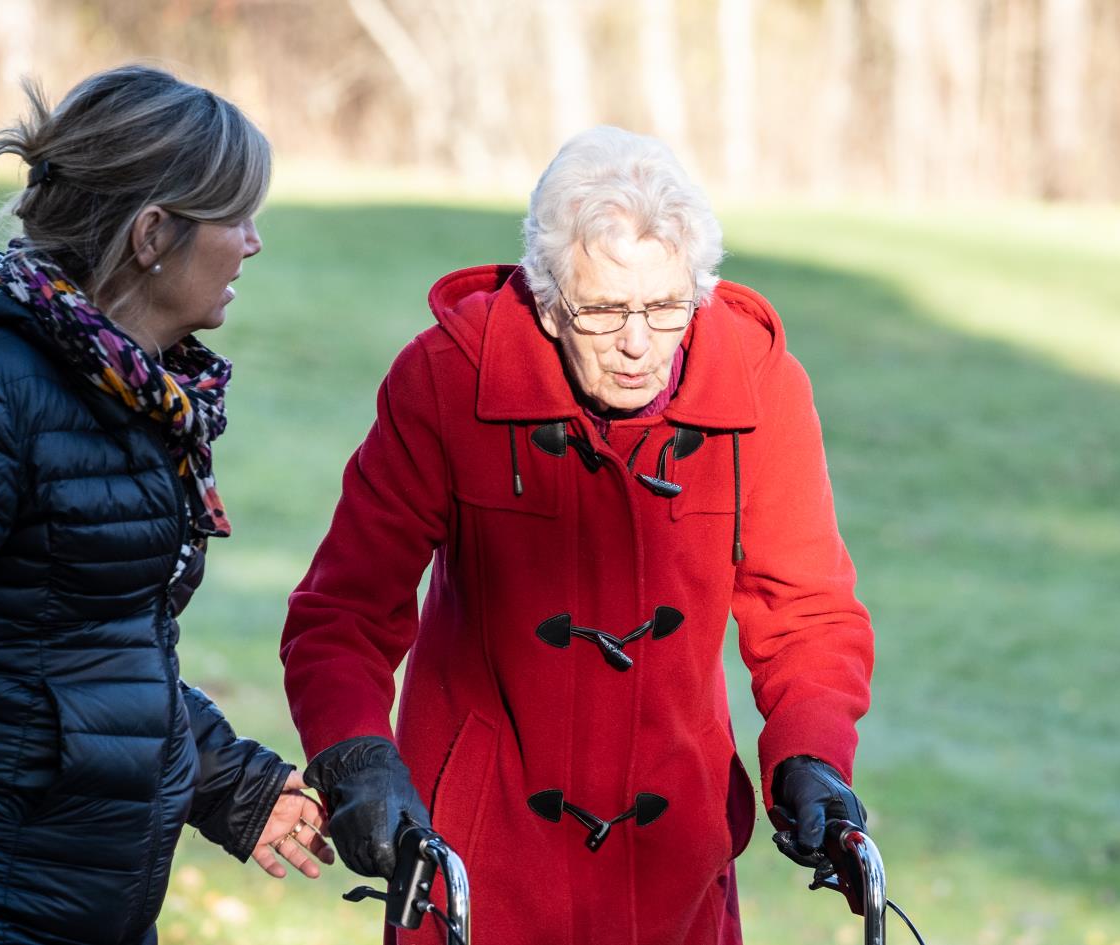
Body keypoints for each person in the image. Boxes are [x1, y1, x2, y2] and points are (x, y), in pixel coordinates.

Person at [280, 126, 874, 943]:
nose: (638, 344)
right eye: (602, 311)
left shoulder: (760, 387)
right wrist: (356, 759)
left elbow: (805, 612)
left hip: (676, 865)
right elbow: (342, 611)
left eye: (666, 306)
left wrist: (811, 755)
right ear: (549, 298)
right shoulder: (448, 378)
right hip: (478, 867)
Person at [0, 66, 332, 945]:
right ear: (153, 233)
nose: (252, 241)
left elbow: (85, 647)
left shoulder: (128, 391)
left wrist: (236, 788)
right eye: (235, 215)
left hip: (81, 910)